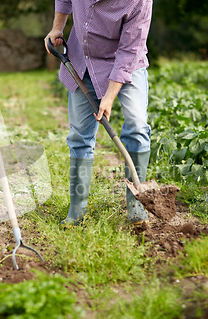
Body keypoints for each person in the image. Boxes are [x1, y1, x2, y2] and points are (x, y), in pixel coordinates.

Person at [45, 0, 153, 226]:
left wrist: (110, 96)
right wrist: (58, 26)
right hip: (82, 59)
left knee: (137, 126)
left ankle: (136, 207)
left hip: (126, 63)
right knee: (80, 136)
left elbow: (129, 50)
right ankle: (76, 210)